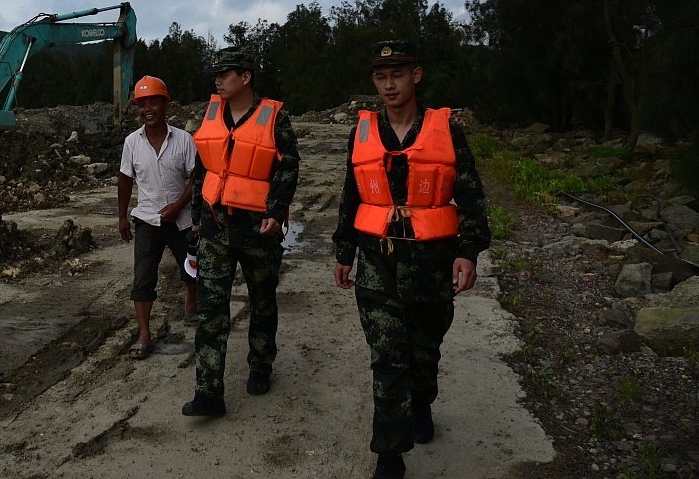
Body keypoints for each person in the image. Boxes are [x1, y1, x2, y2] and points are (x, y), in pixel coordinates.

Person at [332, 40, 491, 479]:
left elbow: (471, 198)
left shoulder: (447, 131)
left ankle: (422, 403)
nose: (389, 84)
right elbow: (351, 195)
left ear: (415, 76)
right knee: (387, 359)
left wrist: (468, 252)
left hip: (432, 266)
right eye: (381, 77)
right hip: (376, 265)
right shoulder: (362, 132)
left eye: (397, 75)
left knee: (424, 355)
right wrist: (344, 251)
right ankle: (389, 453)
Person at [183, 48, 300, 417]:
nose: (218, 80)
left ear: (246, 77)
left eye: (226, 74)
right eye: (215, 74)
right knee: (211, 310)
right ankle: (208, 392)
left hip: (258, 228)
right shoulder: (212, 112)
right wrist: (197, 220)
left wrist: (277, 209)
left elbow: (288, 166)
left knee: (262, 301)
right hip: (216, 227)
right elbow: (203, 168)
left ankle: (261, 366)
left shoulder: (273, 117)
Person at [118, 75, 200, 359]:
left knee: (192, 270)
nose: (147, 109)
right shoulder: (132, 142)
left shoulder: (184, 140)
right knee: (142, 279)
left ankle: (191, 302)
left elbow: (196, 177)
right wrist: (122, 217)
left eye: (154, 102)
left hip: (182, 220)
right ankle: (144, 335)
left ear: (166, 104)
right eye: (142, 104)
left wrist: (179, 205)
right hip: (147, 222)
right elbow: (125, 179)